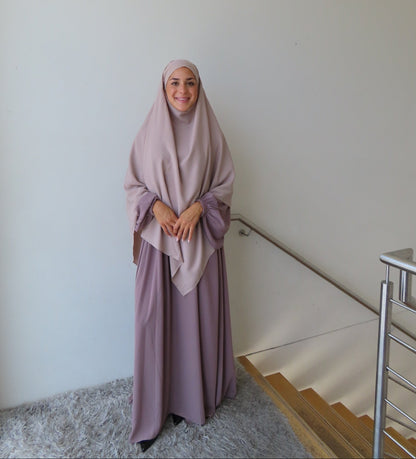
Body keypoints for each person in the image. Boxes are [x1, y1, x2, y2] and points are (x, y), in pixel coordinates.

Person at [124, 59, 236, 452]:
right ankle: (154, 407)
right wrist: (155, 206)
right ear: (164, 87)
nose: (182, 90)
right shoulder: (149, 132)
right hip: (159, 244)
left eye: (190, 82)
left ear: (198, 87)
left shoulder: (211, 133)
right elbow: (132, 183)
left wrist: (199, 207)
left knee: (195, 325)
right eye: (175, 82)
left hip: (198, 243)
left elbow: (225, 183)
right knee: (153, 323)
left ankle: (190, 400)